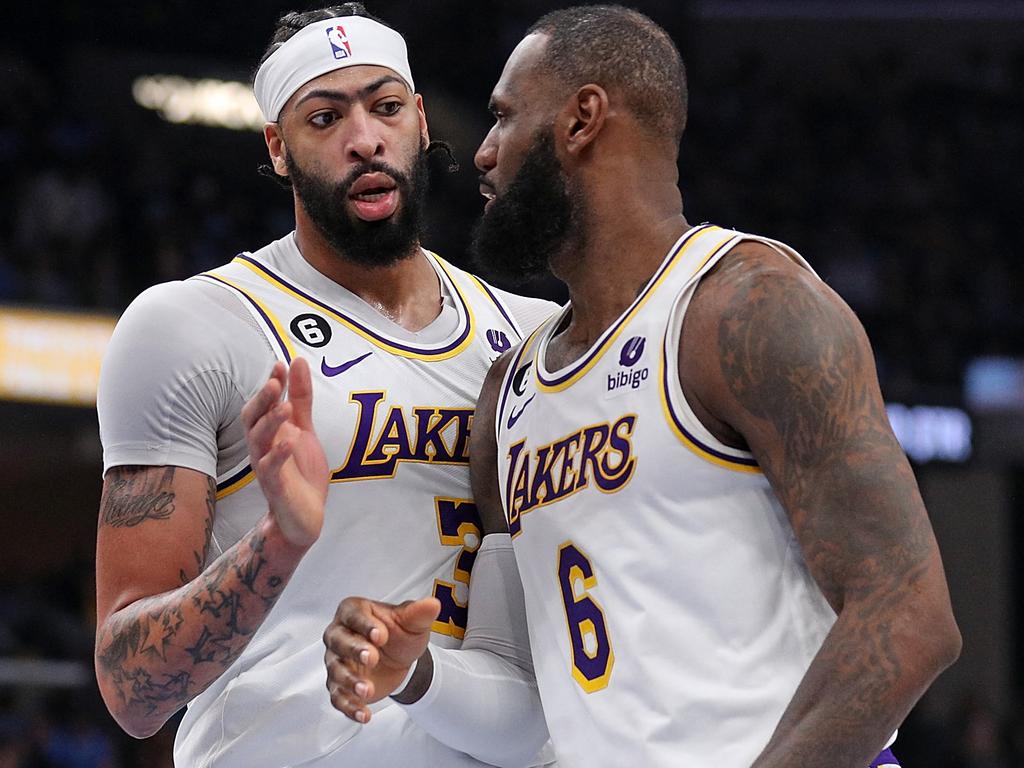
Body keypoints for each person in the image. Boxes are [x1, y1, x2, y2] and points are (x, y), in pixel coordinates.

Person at [322, 6, 962, 767]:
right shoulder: (509, 395)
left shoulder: (746, 310)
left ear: (582, 119)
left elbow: (910, 616)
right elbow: (516, 698)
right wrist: (416, 674)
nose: (483, 154)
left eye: (503, 117)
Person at [93, 5, 556, 767]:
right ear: (278, 148)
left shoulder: (537, 336)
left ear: (419, 117)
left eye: (384, 106)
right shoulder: (194, 325)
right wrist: (280, 544)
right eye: (324, 116)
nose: (364, 139)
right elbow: (132, 691)